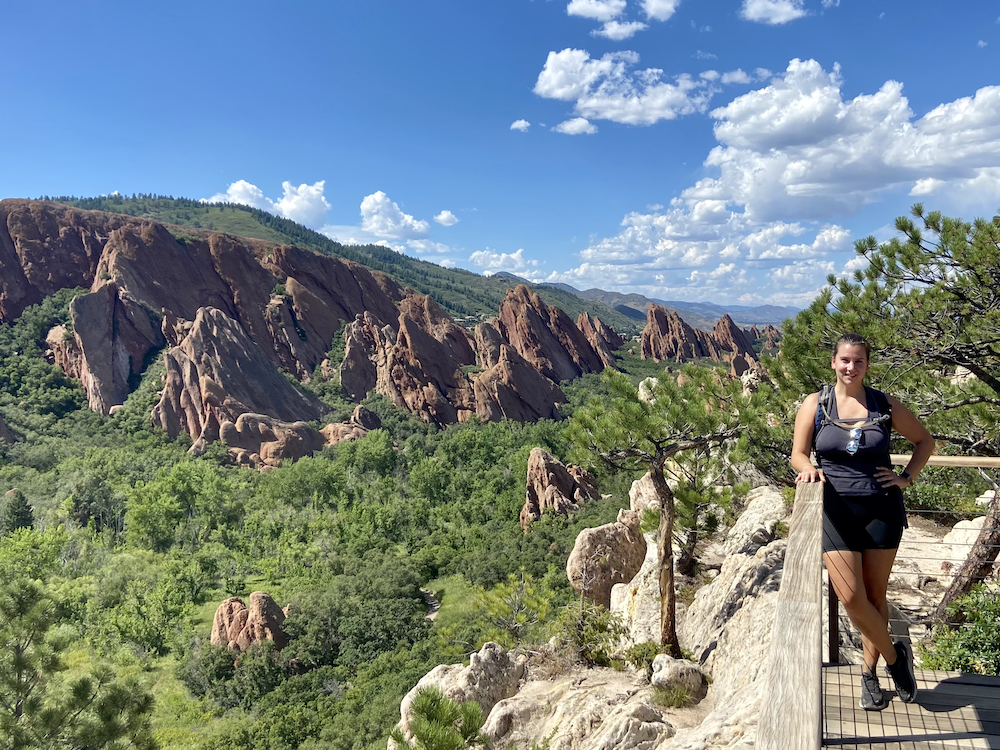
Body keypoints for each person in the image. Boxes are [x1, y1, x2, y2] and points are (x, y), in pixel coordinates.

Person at [790, 333, 935, 711]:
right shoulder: (816, 404)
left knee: (874, 597)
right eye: (844, 360)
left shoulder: (883, 405)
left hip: (881, 510)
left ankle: (869, 674)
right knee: (852, 598)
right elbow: (798, 454)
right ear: (833, 363)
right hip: (834, 511)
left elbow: (925, 441)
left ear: (866, 365)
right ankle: (895, 658)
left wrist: (905, 478)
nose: (850, 367)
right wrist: (807, 470)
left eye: (858, 361)